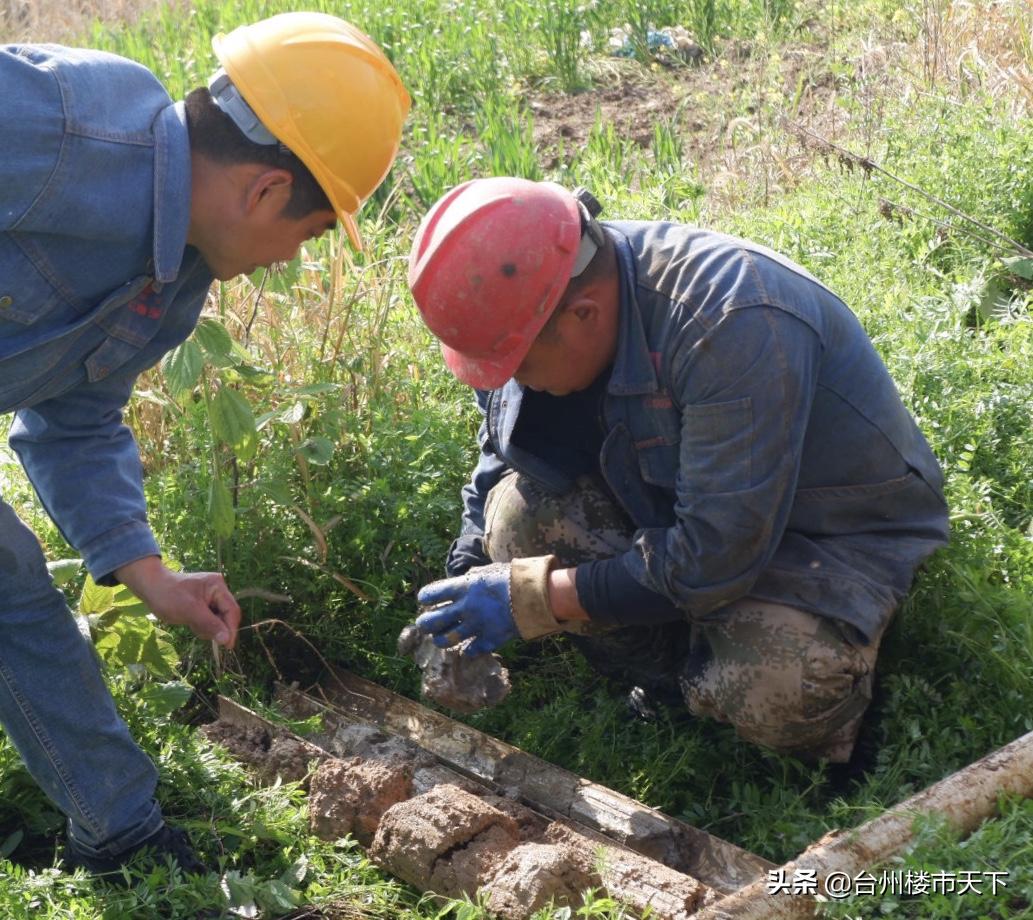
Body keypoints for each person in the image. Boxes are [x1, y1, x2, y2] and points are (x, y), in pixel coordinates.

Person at [0, 12, 409, 875]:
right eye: (309, 233)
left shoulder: (172, 282)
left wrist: (151, 579)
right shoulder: (60, 124)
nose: (287, 261)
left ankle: (122, 841)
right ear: (263, 191)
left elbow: (73, 419)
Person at [408, 177, 949, 763]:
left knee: (777, 682)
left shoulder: (731, 323)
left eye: (516, 365)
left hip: (822, 531)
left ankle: (797, 725)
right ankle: (672, 677)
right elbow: (502, 444)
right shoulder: (543, 296)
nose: (508, 381)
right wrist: (465, 567)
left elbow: (715, 557)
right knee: (513, 524)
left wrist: (533, 598)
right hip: (679, 498)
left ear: (581, 316)